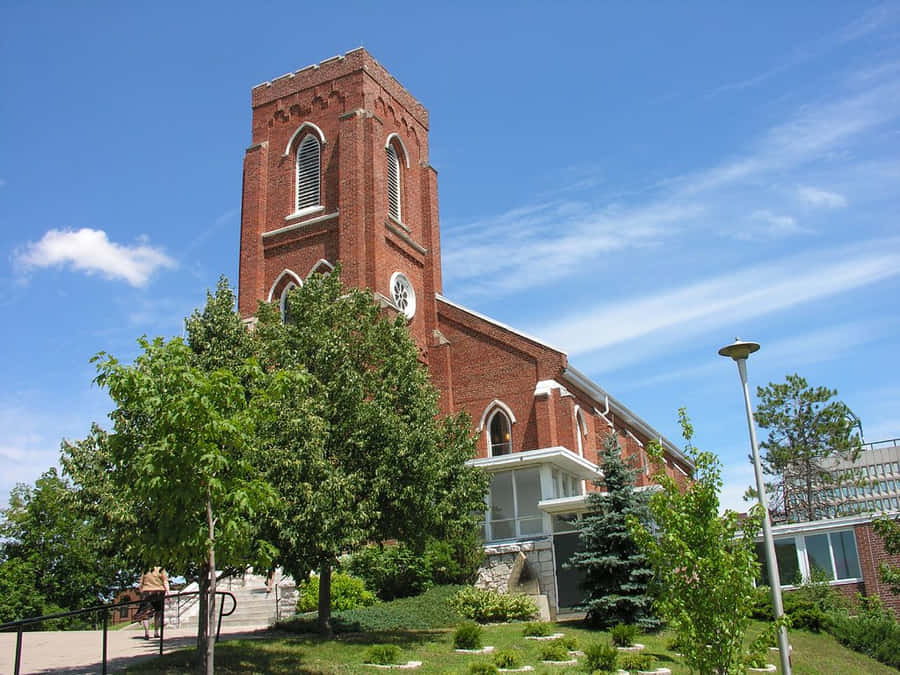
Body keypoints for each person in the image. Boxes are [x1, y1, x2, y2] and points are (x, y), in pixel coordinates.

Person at [136, 566, 169, 639]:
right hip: (159, 592)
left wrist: (142, 593)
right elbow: (165, 581)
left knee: (145, 613)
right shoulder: (161, 569)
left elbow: (140, 584)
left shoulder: (145, 569)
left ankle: (147, 633)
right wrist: (167, 592)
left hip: (147, 592)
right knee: (158, 612)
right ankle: (156, 632)